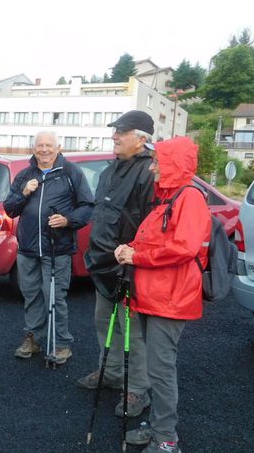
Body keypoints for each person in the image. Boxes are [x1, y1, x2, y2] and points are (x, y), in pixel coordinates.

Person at [115, 136, 210, 453]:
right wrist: (132, 248)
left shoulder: (189, 199)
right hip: (155, 296)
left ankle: (166, 440)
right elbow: (159, 242)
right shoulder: (168, 199)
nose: (153, 166)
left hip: (170, 300)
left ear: (173, 165)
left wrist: (137, 256)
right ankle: (158, 428)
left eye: (158, 161)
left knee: (161, 370)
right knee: (158, 369)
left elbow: (183, 247)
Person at [79, 110, 156, 418]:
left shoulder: (149, 172)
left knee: (132, 333)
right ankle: (110, 373)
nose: (114, 136)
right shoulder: (109, 171)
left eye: (121, 132)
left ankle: (137, 390)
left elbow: (149, 225)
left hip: (129, 267)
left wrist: (133, 259)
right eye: (115, 131)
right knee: (102, 321)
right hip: (102, 262)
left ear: (141, 139)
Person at [4, 131, 94, 364]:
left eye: (49, 145)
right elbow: (10, 209)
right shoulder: (25, 175)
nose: (44, 149)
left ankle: (62, 344)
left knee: (55, 297)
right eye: (39, 145)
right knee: (31, 295)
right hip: (28, 249)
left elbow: (87, 207)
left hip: (58, 248)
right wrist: (23, 194)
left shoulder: (71, 173)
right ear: (33, 148)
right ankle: (33, 338)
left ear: (58, 147)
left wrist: (67, 220)